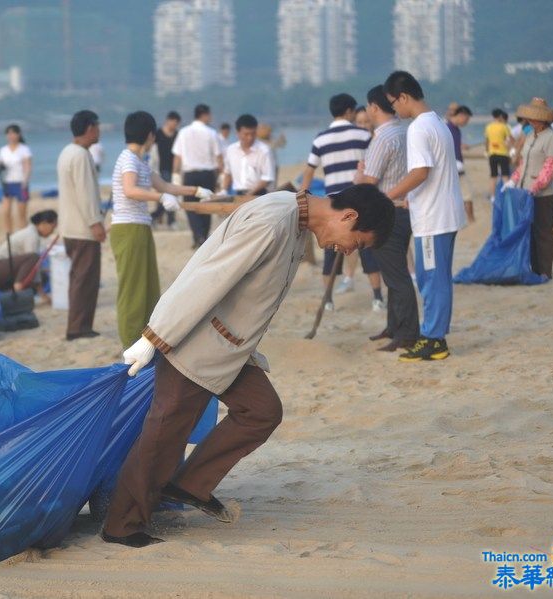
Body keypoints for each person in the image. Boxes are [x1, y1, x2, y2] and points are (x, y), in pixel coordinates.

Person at [101, 185, 394, 547]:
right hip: (194, 340)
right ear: (348, 216)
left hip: (228, 347)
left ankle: (188, 485)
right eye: (358, 242)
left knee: (261, 410)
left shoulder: (294, 221)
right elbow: (206, 279)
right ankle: (121, 525)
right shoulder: (273, 221)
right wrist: (154, 337)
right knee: (164, 432)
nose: (349, 250)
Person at [384, 70, 467, 362]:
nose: (394, 109)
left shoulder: (419, 128)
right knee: (438, 278)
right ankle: (435, 335)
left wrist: (389, 194)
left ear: (404, 97)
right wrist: (410, 197)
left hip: (433, 219)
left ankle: (434, 339)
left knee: (432, 280)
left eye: (393, 103)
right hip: (443, 211)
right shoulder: (438, 122)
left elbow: (421, 172)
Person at [110, 111, 211, 348]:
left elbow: (165, 185)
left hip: (141, 227)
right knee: (133, 291)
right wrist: (160, 197)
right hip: (127, 228)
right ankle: (130, 344)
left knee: (148, 288)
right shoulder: (128, 159)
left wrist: (196, 191)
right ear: (149, 135)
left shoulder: (141, 161)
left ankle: (146, 340)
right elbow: (130, 190)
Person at [302, 93, 383, 312]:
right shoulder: (363, 135)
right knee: (367, 248)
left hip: (333, 204)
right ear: (349, 111)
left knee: (330, 250)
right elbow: (373, 166)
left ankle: (327, 300)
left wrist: (303, 198)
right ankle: (377, 298)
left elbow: (309, 172)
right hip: (360, 201)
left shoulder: (320, 139)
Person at [356, 85, 419, 352]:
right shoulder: (404, 131)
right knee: (394, 272)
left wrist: (359, 176)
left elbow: (369, 182)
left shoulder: (383, 138)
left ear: (373, 107)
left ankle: (406, 333)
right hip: (403, 208)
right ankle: (394, 326)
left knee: (396, 276)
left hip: (388, 210)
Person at [56, 110, 104, 341]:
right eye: (96, 126)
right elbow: (86, 194)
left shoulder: (67, 151)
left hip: (70, 227)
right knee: (85, 280)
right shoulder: (81, 155)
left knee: (79, 278)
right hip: (82, 228)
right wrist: (95, 222)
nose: (99, 131)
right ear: (88, 128)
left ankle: (80, 325)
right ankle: (78, 327)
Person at [508, 98, 553, 279]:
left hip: (543, 194)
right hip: (525, 192)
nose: (531, 121)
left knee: (543, 232)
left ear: (544, 119)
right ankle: (534, 268)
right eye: (530, 118)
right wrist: (513, 180)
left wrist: (536, 186)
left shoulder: (551, 136)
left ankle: (545, 271)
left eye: (535, 118)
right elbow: (524, 164)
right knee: (530, 231)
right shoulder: (530, 135)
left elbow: (550, 166)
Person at [173, 104, 222, 248]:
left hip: (189, 175)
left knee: (190, 206)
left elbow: (177, 157)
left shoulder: (183, 132)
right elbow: (218, 158)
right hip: (208, 174)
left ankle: (197, 236)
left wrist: (175, 174)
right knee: (206, 207)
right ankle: (203, 237)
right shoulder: (212, 133)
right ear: (205, 115)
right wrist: (219, 177)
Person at [0, 209, 57, 298]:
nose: (52, 231)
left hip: (4, 271)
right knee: (34, 258)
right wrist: (43, 294)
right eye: (52, 227)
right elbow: (34, 265)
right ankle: (17, 289)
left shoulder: (32, 233)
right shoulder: (31, 236)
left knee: (43, 276)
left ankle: (12, 293)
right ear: (44, 223)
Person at [222, 114, 274, 196]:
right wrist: (224, 190)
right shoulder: (231, 150)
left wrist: (251, 193)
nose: (250, 138)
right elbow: (227, 172)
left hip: (260, 194)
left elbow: (267, 178)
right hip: (238, 194)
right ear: (238, 133)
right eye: (246, 134)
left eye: (253, 134)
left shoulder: (264, 150)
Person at [0, 124, 33, 233]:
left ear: (18, 134)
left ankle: (23, 234)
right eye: (9, 133)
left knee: (21, 213)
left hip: (21, 183)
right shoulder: (3, 150)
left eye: (14, 133)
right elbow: (0, 164)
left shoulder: (24, 149)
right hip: (7, 183)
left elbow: (28, 166)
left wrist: (25, 181)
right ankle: (9, 234)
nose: (11, 136)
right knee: (6, 211)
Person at [150, 111, 181, 228]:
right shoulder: (158, 134)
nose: (175, 125)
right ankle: (159, 218)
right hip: (160, 169)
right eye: (173, 122)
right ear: (168, 121)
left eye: (177, 123)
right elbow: (151, 151)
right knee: (165, 196)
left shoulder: (177, 135)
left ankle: (168, 220)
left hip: (173, 169)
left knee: (171, 195)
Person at [446, 105, 475, 222]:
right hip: (454, 167)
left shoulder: (455, 129)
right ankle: (471, 220)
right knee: (466, 194)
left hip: (457, 166)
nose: (466, 122)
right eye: (466, 119)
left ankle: (466, 219)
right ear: (461, 115)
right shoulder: (447, 128)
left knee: (458, 195)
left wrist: (462, 145)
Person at [484, 109, 514, 201]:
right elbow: (510, 140)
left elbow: (486, 141)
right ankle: (508, 196)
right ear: (500, 116)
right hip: (503, 154)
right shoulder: (504, 126)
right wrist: (511, 149)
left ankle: (493, 197)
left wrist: (487, 151)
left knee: (493, 176)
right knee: (505, 175)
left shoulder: (488, 127)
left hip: (492, 154)